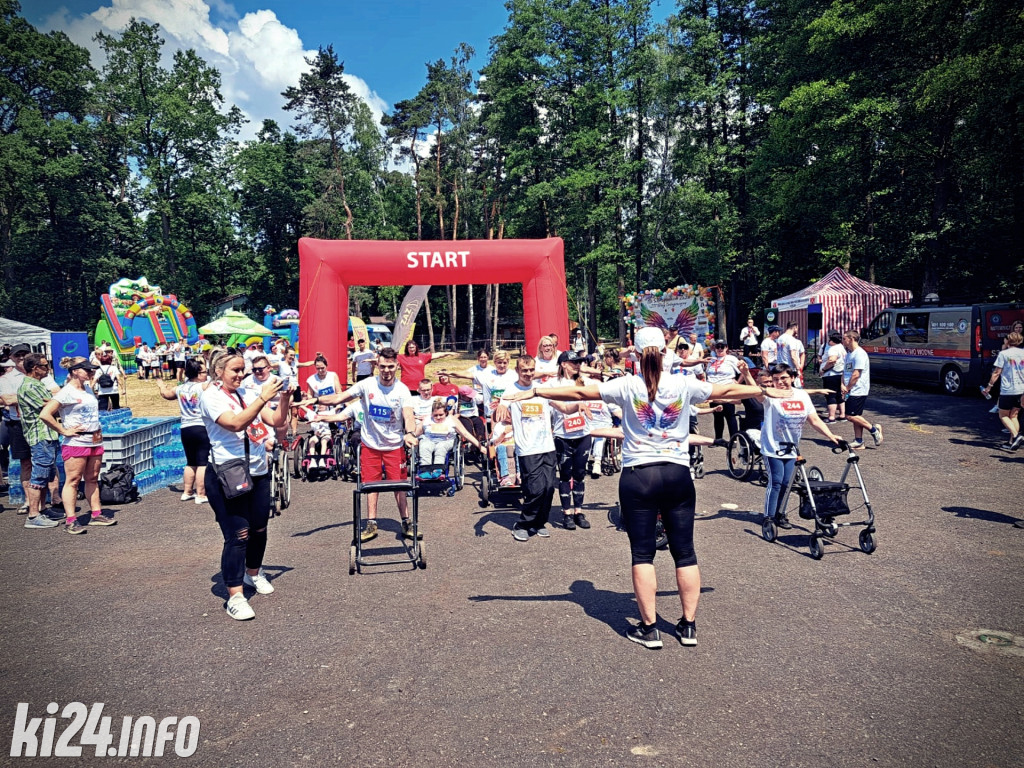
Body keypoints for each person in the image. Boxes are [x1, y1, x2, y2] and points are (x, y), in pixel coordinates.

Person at [506, 326, 773, 649]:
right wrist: (764, 391)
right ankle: (688, 626)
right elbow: (727, 391)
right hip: (677, 474)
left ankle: (650, 630)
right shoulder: (683, 383)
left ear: (634, 352)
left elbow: (578, 394)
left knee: (642, 554)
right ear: (664, 352)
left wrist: (537, 392)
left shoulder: (626, 384)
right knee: (685, 552)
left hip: (638, 476)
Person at [201, 348, 290, 621]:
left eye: (243, 370)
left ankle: (253, 573)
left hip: (258, 471)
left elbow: (276, 421)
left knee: (260, 529)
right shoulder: (211, 396)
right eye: (235, 370)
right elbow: (237, 423)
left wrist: (285, 395)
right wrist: (263, 397)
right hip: (228, 473)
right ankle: (235, 596)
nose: (241, 374)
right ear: (219, 371)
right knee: (238, 534)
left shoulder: (248, 393)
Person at [309, 347, 419, 542]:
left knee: (399, 486)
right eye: (383, 366)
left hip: (394, 446)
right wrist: (314, 401)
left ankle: (406, 522)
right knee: (369, 486)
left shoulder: (402, 390)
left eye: (390, 366)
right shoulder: (367, 385)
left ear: (396, 366)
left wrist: (409, 433)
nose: (386, 370)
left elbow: (408, 414)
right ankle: (371, 524)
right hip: (370, 447)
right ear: (378, 365)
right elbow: (338, 398)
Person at [758, 363, 842, 529]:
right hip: (772, 446)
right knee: (776, 482)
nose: (780, 382)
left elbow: (815, 420)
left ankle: (780, 514)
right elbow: (756, 394)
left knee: (787, 483)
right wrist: (746, 373)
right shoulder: (770, 395)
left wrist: (830, 436)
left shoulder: (802, 395)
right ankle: (769, 517)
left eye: (784, 378)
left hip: (792, 448)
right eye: (776, 379)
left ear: (793, 378)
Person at [40, 357, 115, 533]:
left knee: (92, 478)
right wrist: (63, 430)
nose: (91, 372)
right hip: (76, 441)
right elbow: (45, 414)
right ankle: (71, 520)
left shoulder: (87, 388)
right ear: (74, 371)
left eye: (92, 370)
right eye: (87, 370)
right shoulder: (66, 392)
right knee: (73, 480)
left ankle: (96, 514)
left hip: (95, 440)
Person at [494, 355, 563, 541]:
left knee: (549, 488)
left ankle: (540, 522)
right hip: (527, 449)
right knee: (535, 489)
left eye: (531, 370)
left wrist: (578, 407)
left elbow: (560, 405)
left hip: (547, 446)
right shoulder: (511, 389)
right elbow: (503, 403)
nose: (528, 373)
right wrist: (501, 406)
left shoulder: (541, 389)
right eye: (524, 370)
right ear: (517, 371)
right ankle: (523, 524)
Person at [545, 351, 593, 530]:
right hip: (563, 436)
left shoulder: (584, 383)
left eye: (579, 362)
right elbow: (562, 407)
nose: (577, 365)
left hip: (583, 434)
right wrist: (577, 405)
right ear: (563, 364)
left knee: (580, 474)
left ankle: (578, 511)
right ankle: (566, 513)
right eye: (573, 362)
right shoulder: (552, 384)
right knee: (565, 475)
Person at [17, 353, 64, 529]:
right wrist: (57, 402)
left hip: (47, 435)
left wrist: (54, 402)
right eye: (44, 366)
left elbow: (53, 403)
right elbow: (50, 407)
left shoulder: (37, 384)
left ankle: (42, 509)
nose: (48, 368)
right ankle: (33, 515)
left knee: (46, 474)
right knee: (38, 475)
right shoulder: (29, 387)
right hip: (40, 436)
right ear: (34, 368)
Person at [157, 358, 212, 504]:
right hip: (201, 427)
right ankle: (201, 494)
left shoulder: (180, 388)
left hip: (185, 428)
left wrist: (161, 385)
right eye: (204, 372)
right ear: (198, 374)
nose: (206, 375)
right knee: (202, 462)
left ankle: (187, 492)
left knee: (190, 462)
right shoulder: (203, 387)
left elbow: (166, 395)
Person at [413, 397, 482, 476]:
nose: (438, 417)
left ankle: (438, 470)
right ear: (432, 413)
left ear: (446, 413)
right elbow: (416, 433)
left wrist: (480, 447)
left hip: (447, 440)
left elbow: (465, 434)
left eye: (441, 415)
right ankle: (425, 471)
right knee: (424, 446)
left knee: (440, 447)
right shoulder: (427, 419)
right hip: (429, 439)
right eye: (435, 415)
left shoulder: (452, 420)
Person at [841, 331, 883, 450]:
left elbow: (856, 374)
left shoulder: (859, 354)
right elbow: (845, 371)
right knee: (856, 415)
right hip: (850, 389)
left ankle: (874, 430)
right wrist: (842, 385)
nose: (843, 341)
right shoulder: (849, 354)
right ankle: (859, 441)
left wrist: (848, 388)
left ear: (852, 339)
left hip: (858, 389)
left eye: (844, 339)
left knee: (849, 415)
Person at [984, 331, 1024, 451]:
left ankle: (1017, 436)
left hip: (1008, 389)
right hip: (1021, 389)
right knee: (1014, 415)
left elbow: (997, 372)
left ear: (1008, 341)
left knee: (1003, 415)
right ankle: (1012, 442)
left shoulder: (1003, 354)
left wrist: (989, 386)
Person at [705, 340, 742, 445]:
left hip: (727, 391)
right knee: (717, 416)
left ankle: (733, 440)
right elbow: (707, 374)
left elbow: (743, 372)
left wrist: (737, 383)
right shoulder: (711, 360)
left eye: (722, 346)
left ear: (726, 348)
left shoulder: (731, 359)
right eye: (718, 347)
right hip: (714, 391)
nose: (720, 349)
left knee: (730, 416)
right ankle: (718, 439)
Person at [820, 332, 846, 423]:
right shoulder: (841, 347)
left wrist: (823, 369)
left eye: (829, 340)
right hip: (840, 374)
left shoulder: (833, 349)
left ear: (832, 340)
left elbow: (832, 360)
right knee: (839, 394)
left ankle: (831, 417)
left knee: (831, 395)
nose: (828, 341)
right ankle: (842, 415)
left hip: (831, 374)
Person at [93, 346, 126, 411]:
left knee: (102, 409)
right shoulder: (113, 368)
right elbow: (119, 379)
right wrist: (123, 389)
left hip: (102, 391)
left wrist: (91, 390)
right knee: (116, 407)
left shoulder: (98, 369)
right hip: (113, 390)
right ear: (110, 361)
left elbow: (94, 381)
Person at [777, 322, 806, 386]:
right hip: (790, 369)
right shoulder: (791, 340)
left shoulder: (780, 338)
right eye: (797, 328)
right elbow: (793, 356)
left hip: (781, 368)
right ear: (795, 328)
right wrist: (798, 369)